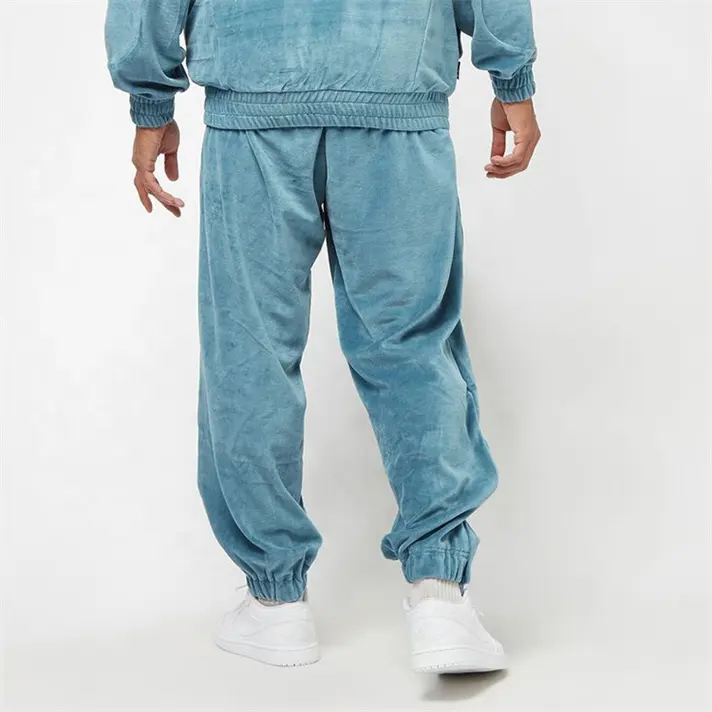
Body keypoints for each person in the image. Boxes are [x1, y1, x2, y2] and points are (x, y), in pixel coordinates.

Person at [105, 0, 540, 673]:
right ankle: (440, 596)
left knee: (250, 349)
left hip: (255, 87)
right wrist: (511, 78)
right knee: (414, 345)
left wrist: (150, 103)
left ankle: (276, 603)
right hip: (395, 75)